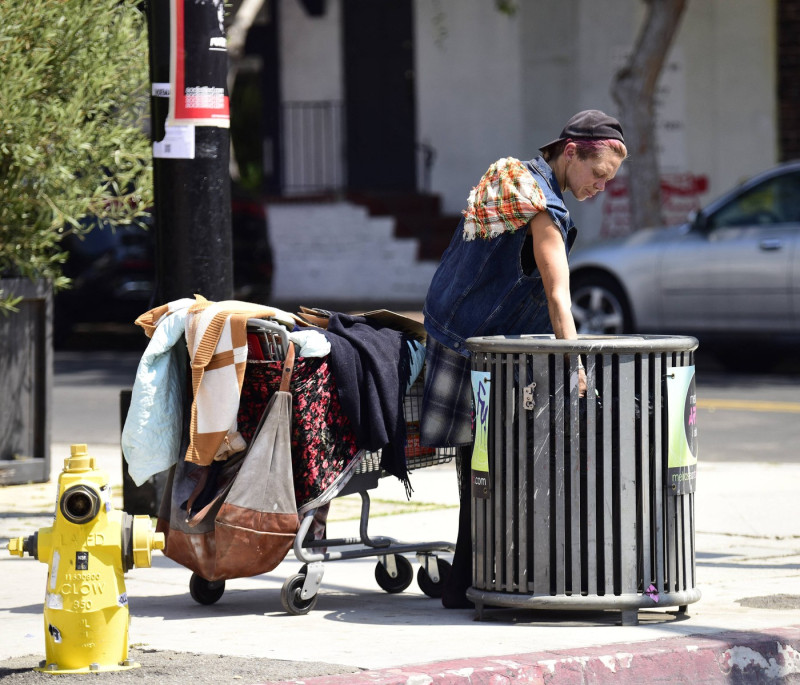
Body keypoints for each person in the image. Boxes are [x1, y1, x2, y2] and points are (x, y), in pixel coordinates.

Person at [420, 109, 628, 608]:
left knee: (482, 465)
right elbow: (559, 296)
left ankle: (468, 573)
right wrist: (576, 365)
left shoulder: (513, 176)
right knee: (492, 464)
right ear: (572, 151)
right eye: (598, 176)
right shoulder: (543, 207)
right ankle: (474, 575)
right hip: (475, 344)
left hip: (459, 329)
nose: (601, 188)